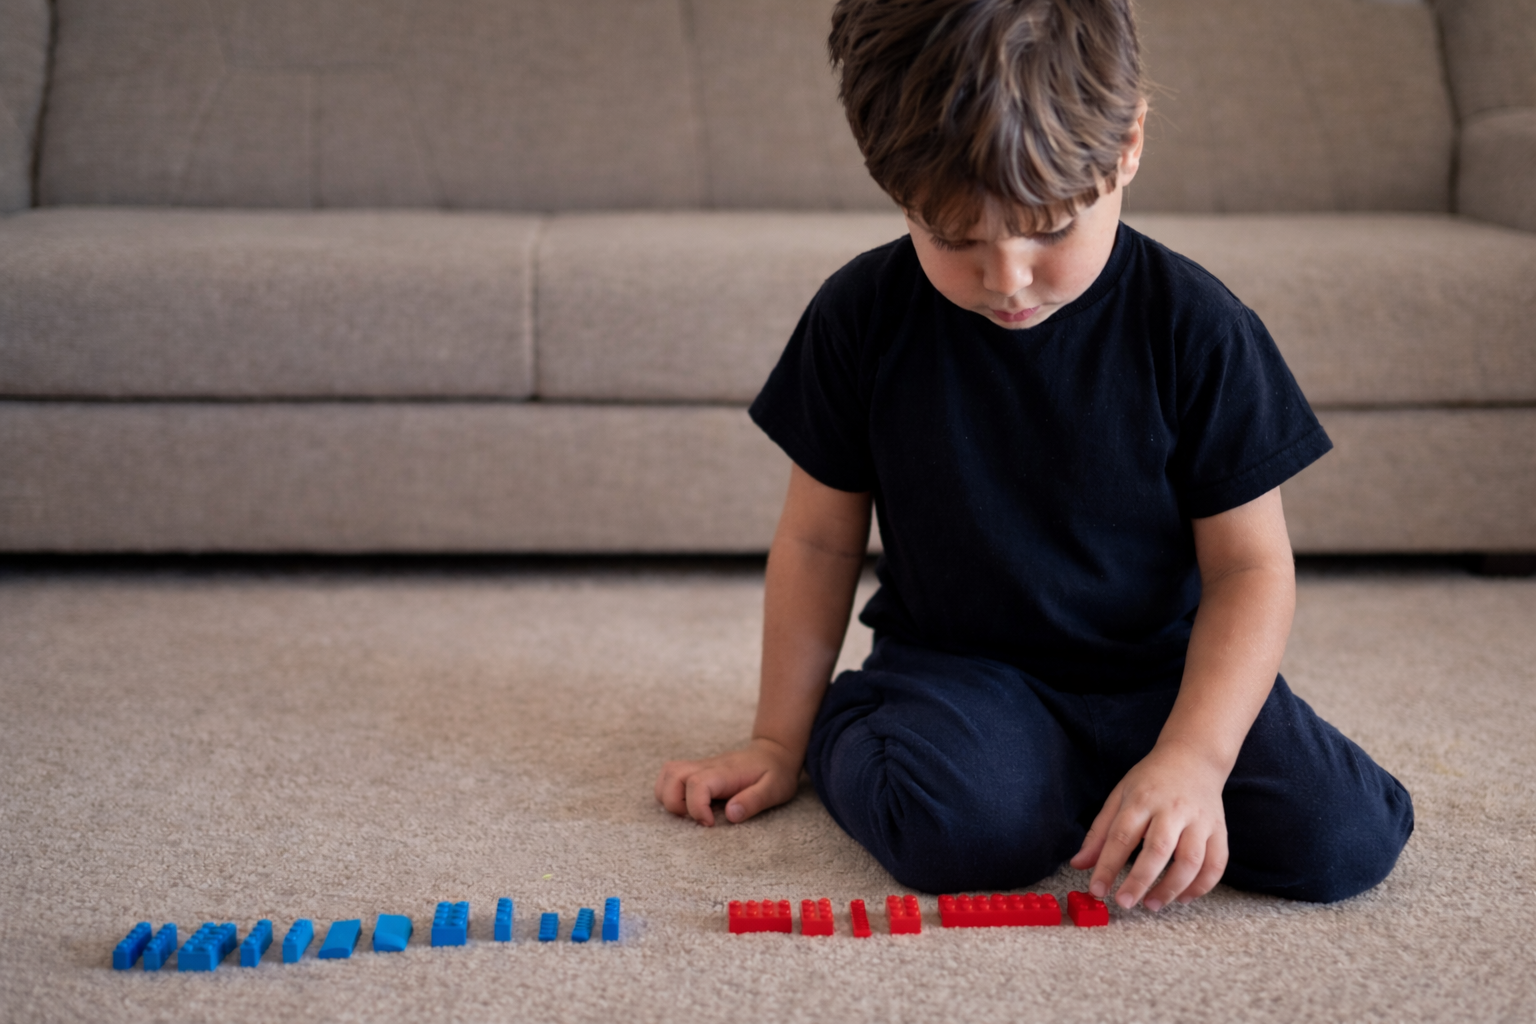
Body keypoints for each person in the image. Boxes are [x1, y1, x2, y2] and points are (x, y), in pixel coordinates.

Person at [655, 0, 1413, 910]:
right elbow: (818, 542)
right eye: (954, 238)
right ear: (893, 188)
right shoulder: (859, 317)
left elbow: (1252, 570)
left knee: (1345, 841)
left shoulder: (1198, 328)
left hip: (1160, 673)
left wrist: (1192, 758)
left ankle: (1106, 775)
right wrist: (778, 739)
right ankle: (854, 724)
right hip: (964, 670)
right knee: (963, 833)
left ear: (1128, 145)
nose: (1005, 278)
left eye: (1050, 230)